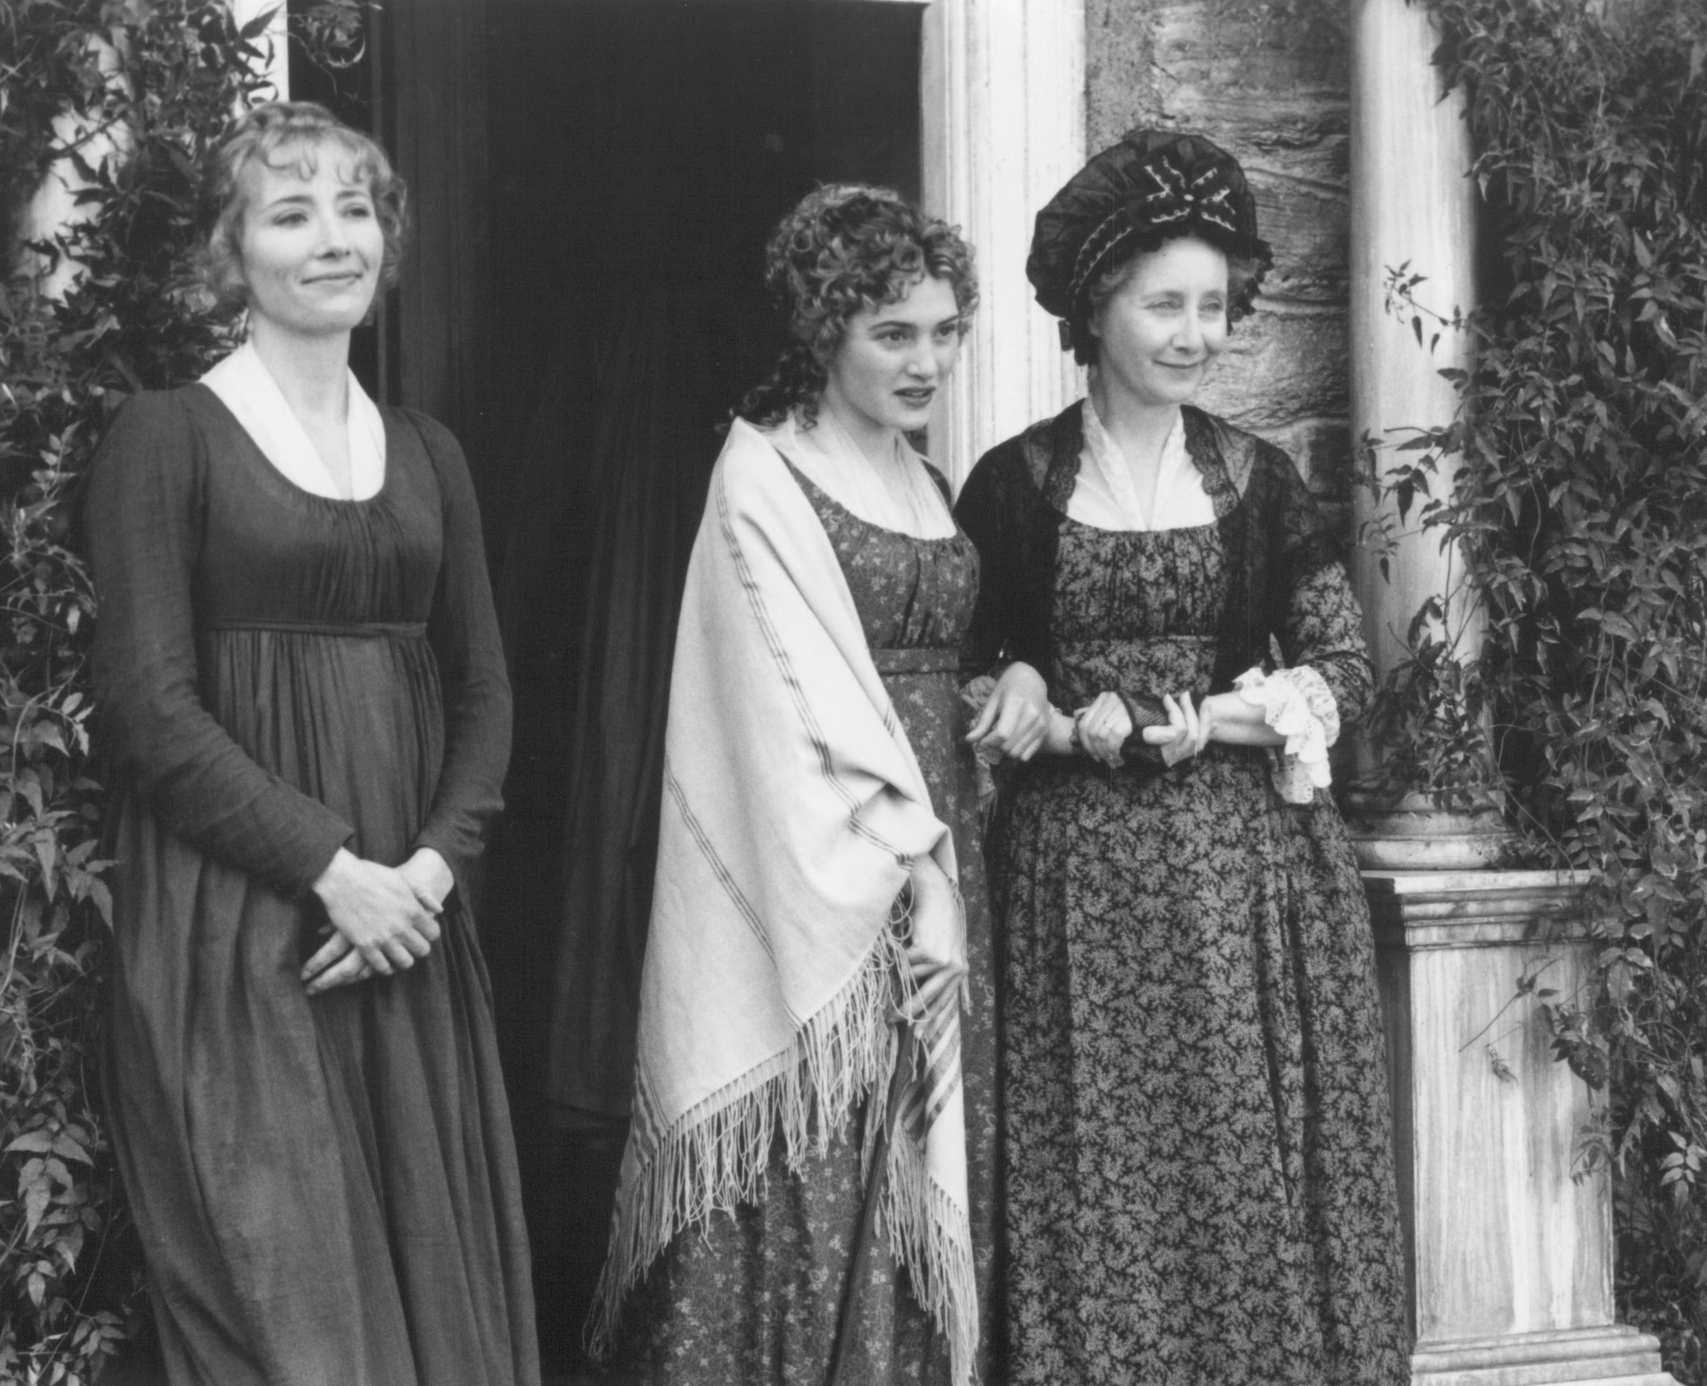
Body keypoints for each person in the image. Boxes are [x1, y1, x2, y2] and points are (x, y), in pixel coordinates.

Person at [83, 101, 538, 1386]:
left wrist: (426, 879)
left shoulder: (429, 454)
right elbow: (149, 711)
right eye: (291, 213)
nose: (333, 239)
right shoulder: (166, 436)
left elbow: (486, 694)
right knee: (282, 1306)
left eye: (356, 209)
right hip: (245, 929)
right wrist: (334, 870)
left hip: (407, 929)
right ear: (233, 255)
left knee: (426, 1304)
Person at [954, 129, 1409, 1386]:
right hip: (1071, 887)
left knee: (1228, 1150)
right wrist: (1029, 689)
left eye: (1213, 306)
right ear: (1094, 306)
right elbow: (959, 665)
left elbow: (1339, 668)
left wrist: (1207, 718)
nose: (1193, 332)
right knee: (1090, 1156)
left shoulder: (1255, 481)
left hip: (1237, 882)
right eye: (1164, 303)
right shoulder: (1011, 485)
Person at [589, 185, 1027, 1386]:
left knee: (915, 1146)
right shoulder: (762, 477)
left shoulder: (928, 485)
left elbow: (947, 665)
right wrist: (912, 886)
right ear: (822, 329)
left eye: (944, 331)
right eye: (893, 333)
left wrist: (1007, 684)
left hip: (942, 845)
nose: (927, 359)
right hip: (832, 874)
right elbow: (781, 714)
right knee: (815, 1160)